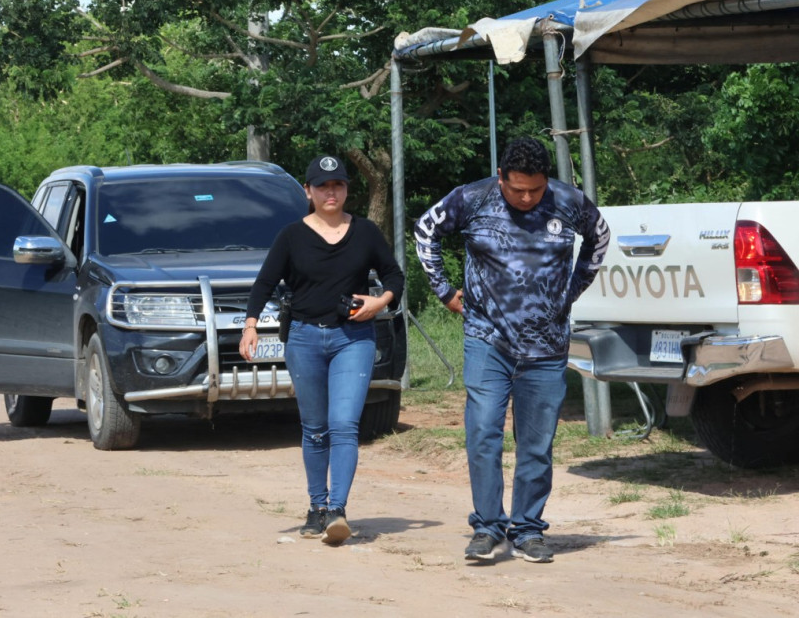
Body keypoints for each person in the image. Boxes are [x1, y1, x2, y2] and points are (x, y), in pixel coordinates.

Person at [414, 137, 610, 564]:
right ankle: (487, 527)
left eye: (535, 190)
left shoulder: (569, 202)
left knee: (536, 445)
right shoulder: (472, 198)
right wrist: (444, 291)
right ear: (500, 176)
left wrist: (571, 291)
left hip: (547, 346)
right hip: (487, 340)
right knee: (483, 434)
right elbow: (425, 230)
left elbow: (599, 238)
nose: (526, 198)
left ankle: (528, 529)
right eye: (517, 189)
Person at [240, 155, 404, 545]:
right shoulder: (291, 236)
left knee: (344, 425)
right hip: (304, 339)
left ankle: (337, 510)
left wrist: (379, 302)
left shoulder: (365, 232)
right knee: (315, 428)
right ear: (308, 191)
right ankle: (316, 507)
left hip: (353, 339)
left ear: (346, 189)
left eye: (338, 185)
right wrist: (250, 327)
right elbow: (264, 283)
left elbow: (394, 275)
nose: (331, 192)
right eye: (322, 186)